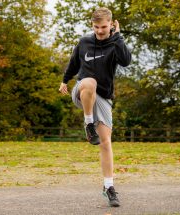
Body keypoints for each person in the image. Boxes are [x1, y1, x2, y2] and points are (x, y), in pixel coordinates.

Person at [58, 7, 131, 207]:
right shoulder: (84, 42)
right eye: (97, 27)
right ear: (92, 25)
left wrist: (118, 38)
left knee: (106, 143)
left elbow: (126, 61)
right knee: (89, 81)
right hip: (83, 91)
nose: (100, 31)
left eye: (104, 27)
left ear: (112, 25)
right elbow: (74, 64)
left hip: (104, 97)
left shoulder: (116, 44)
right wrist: (65, 81)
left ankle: (109, 187)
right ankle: (88, 123)